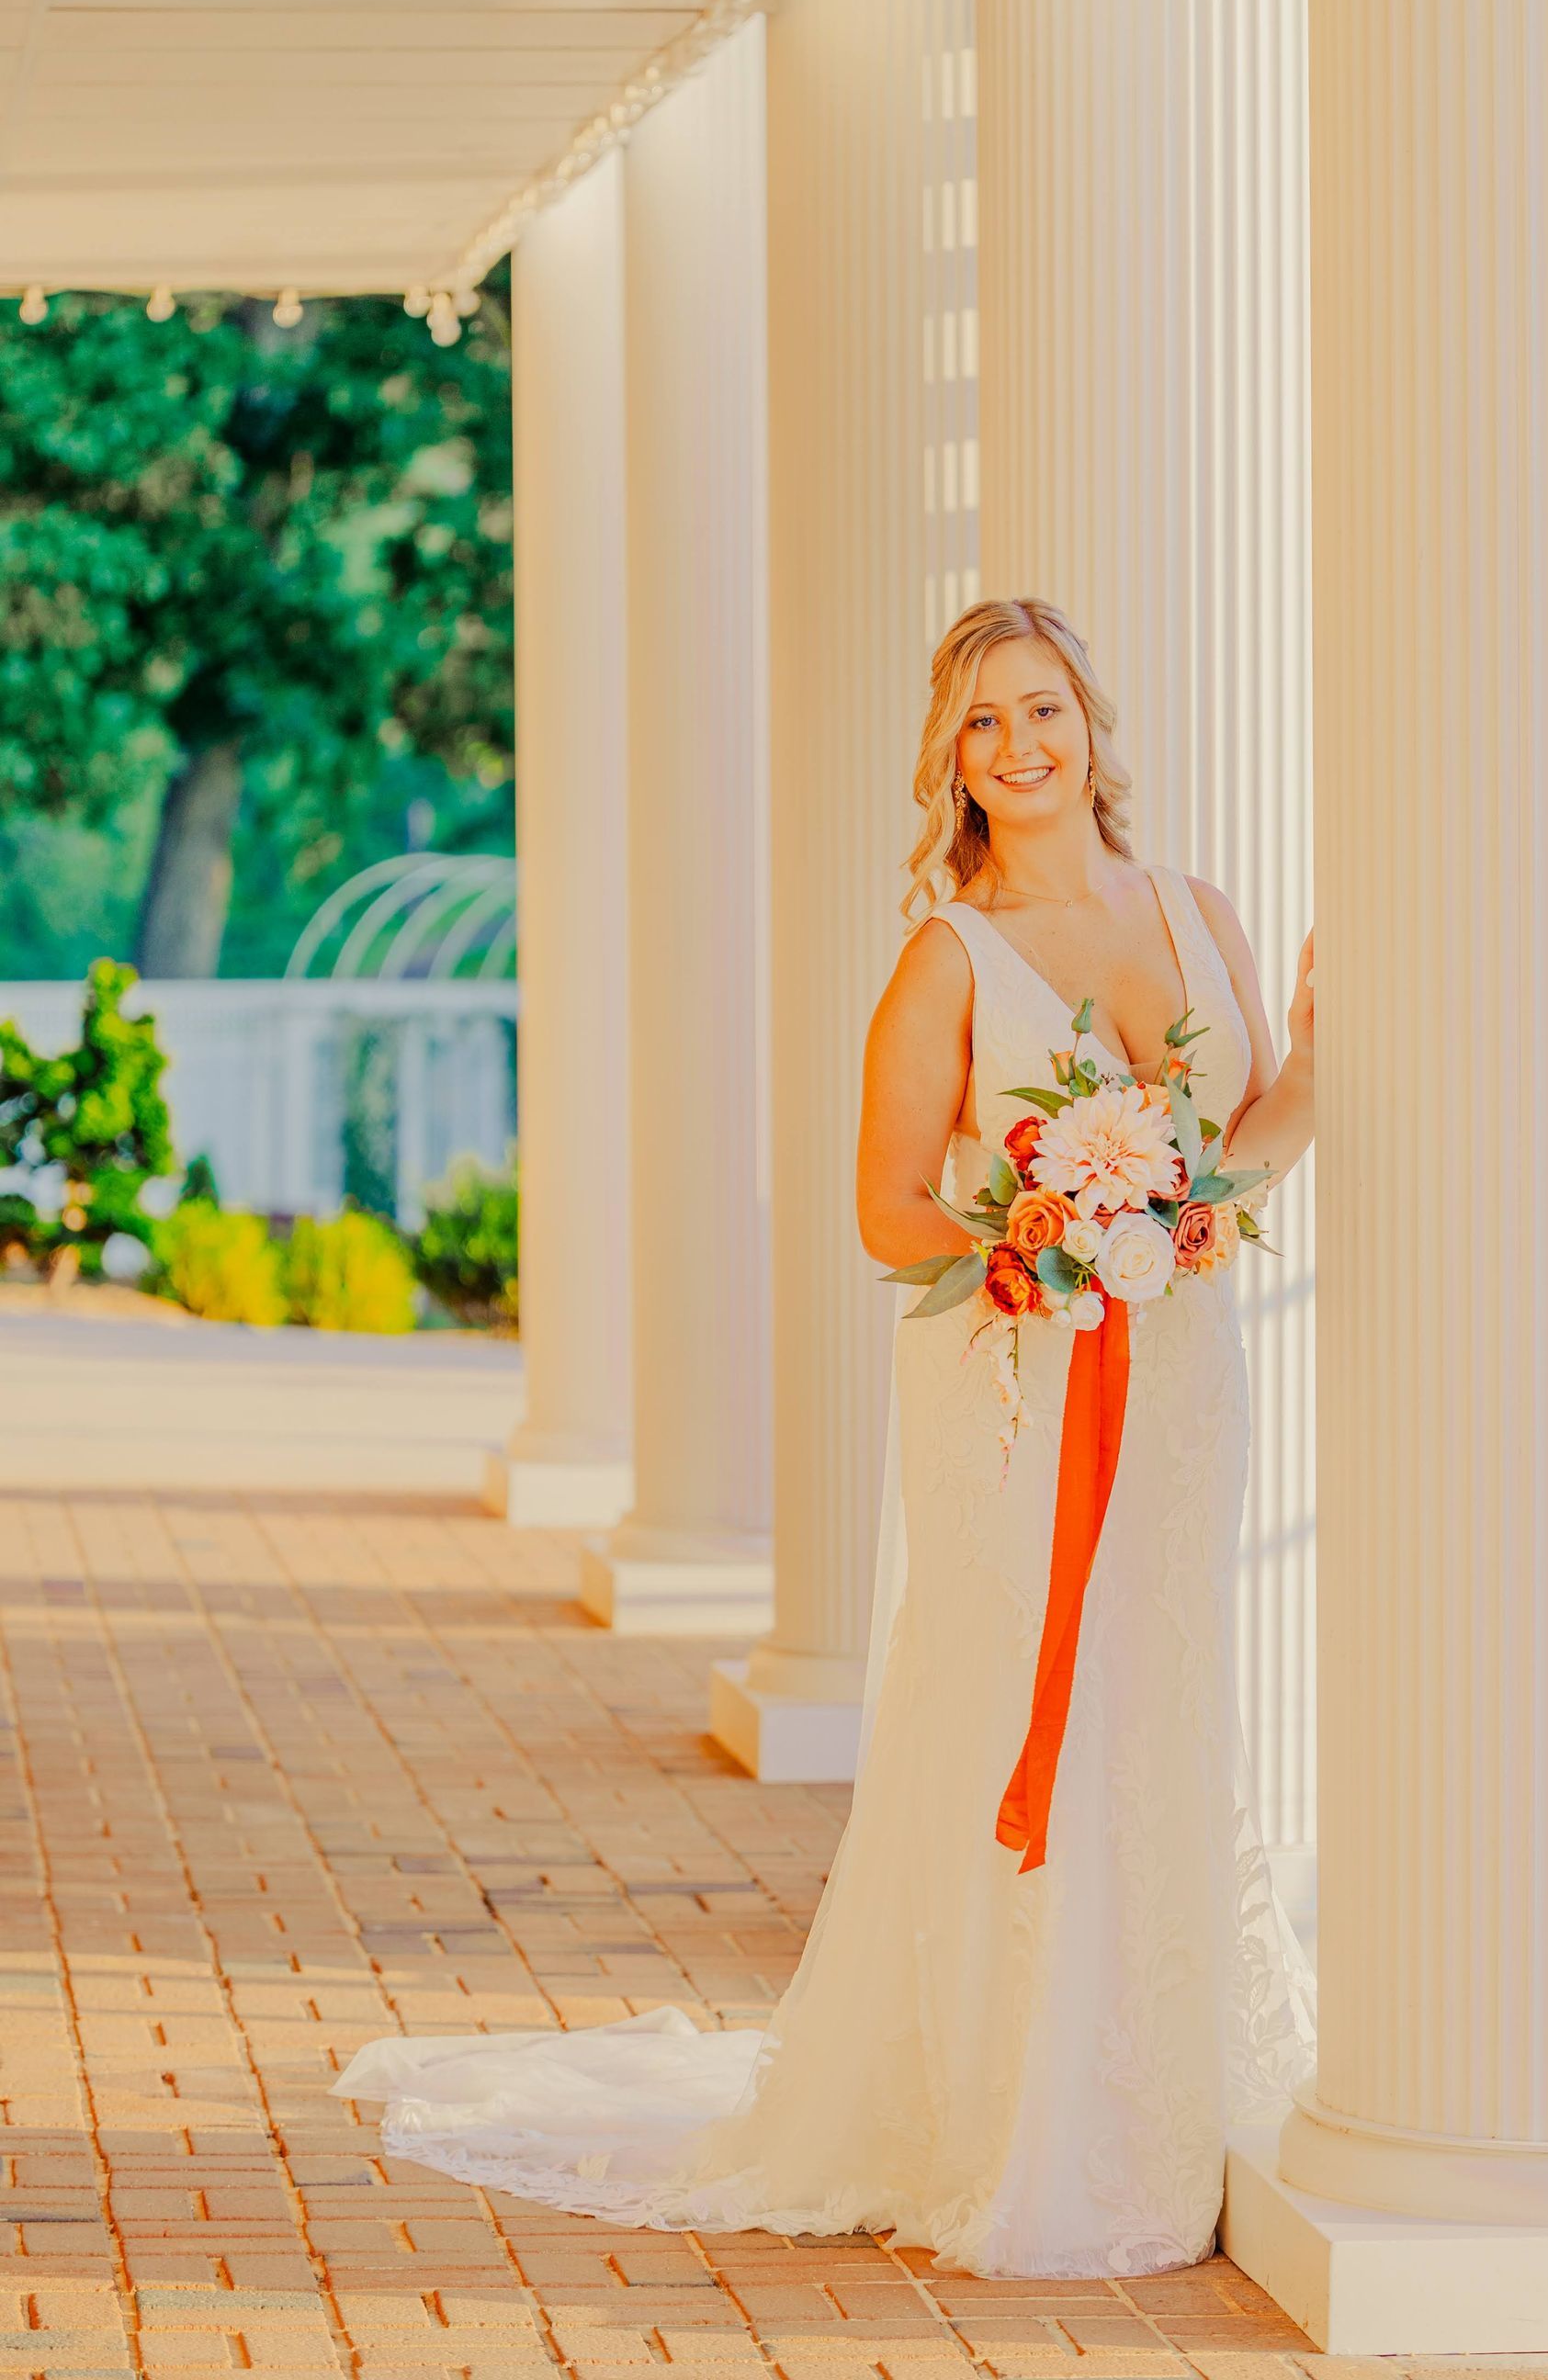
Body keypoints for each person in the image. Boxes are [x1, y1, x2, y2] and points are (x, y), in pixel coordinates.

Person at [334, 595, 1316, 2277]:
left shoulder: (1200, 913)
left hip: (1179, 1388)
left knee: (1155, 1688)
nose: (1019, 748)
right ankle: (1007, 2121)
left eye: (1043, 710)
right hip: (1011, 1394)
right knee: (1019, 1697)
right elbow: (882, 1208)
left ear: (1092, 722)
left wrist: (1309, 1065)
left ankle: (1150, 2094)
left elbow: (1254, 1130)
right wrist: (1036, 1243)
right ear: (952, 759)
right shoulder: (949, 955)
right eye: (983, 724)